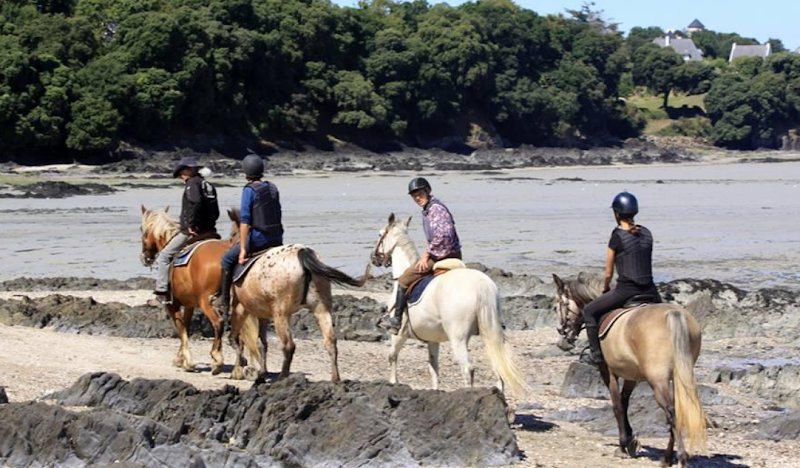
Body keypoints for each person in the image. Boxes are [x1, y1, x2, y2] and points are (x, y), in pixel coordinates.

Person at [580, 191, 662, 366]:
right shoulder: (647, 233)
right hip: (651, 290)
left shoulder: (617, 235)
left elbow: (608, 272)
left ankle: (596, 356)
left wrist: (605, 288)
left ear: (616, 213)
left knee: (589, 312)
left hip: (626, 290)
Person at [383, 177, 462, 334]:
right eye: (414, 196)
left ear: (428, 191)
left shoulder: (435, 209)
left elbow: (443, 235)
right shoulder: (428, 209)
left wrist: (426, 254)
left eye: (419, 194)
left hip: (442, 255)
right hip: (448, 252)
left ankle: (396, 321)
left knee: (405, 278)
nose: (417, 198)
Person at [214, 154, 283, 314]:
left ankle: (223, 300)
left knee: (226, 259)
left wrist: (244, 249)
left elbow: (245, 221)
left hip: (259, 239)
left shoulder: (249, 190)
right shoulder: (273, 188)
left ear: (246, 171)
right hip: (277, 238)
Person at [152, 156, 220, 302]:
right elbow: (216, 211)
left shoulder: (191, 184)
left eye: (181, 174)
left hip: (194, 231)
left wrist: (191, 224)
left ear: (188, 171)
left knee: (164, 256)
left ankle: (162, 292)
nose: (181, 178)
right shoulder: (207, 185)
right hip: (210, 230)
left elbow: (195, 203)